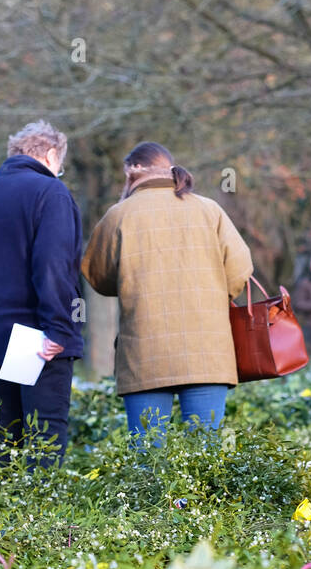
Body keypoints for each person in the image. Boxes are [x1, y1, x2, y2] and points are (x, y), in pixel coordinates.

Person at [81, 141, 252, 442]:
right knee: (205, 456)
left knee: (150, 459)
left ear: (131, 173)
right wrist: (211, 299)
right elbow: (240, 270)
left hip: (144, 354)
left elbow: (98, 276)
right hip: (207, 351)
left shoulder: (119, 215)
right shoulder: (209, 210)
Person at [0, 119, 83, 466]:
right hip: (39, 340)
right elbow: (53, 265)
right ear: (51, 155)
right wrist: (59, 328)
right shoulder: (50, 192)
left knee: (5, 446)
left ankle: (8, 520)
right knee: (44, 444)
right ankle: (41, 521)